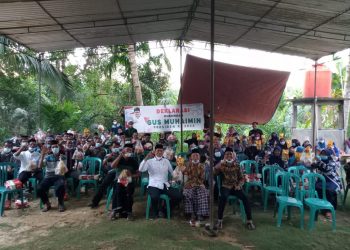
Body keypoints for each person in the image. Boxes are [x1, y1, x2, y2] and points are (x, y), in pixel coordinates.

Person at [215, 148, 255, 230]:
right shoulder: (221, 165)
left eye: (230, 154)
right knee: (223, 197)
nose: (229, 156)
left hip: (235, 187)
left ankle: (249, 220)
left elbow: (242, 178)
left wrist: (239, 185)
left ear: (233, 156)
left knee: (245, 197)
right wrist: (218, 165)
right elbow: (214, 173)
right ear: (224, 156)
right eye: (227, 154)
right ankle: (219, 220)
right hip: (225, 186)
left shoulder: (237, 165)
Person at [139, 144, 182, 219]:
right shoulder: (149, 161)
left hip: (165, 184)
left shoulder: (166, 161)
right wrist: (146, 157)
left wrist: (178, 169)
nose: (159, 152)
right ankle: (154, 213)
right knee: (155, 196)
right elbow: (141, 169)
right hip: (153, 184)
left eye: (161, 151)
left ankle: (164, 210)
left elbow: (172, 173)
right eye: (158, 150)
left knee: (178, 196)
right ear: (155, 152)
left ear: (163, 152)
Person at [109, 143, 139, 220]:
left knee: (129, 191)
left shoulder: (133, 161)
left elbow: (138, 174)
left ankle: (129, 212)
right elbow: (112, 166)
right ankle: (115, 210)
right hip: (118, 179)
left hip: (129, 179)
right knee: (117, 188)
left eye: (130, 150)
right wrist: (120, 155)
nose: (128, 151)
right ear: (123, 150)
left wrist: (130, 176)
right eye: (127, 149)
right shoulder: (119, 158)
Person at [89, 142, 122, 208]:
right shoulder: (108, 155)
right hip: (110, 172)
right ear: (111, 148)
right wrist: (108, 157)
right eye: (114, 147)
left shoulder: (121, 155)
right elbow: (103, 164)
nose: (115, 148)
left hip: (119, 173)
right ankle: (95, 202)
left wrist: (119, 155)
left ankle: (118, 204)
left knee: (117, 186)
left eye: (116, 147)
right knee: (103, 185)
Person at [180, 149, 209, 226]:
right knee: (187, 193)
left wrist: (195, 184)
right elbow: (185, 174)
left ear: (199, 157)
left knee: (203, 193)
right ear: (191, 157)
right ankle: (192, 213)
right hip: (189, 184)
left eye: (197, 155)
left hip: (199, 184)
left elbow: (202, 178)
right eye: (193, 155)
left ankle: (200, 214)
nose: (195, 157)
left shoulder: (202, 166)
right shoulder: (187, 164)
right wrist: (182, 170)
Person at [311, 149, 342, 219]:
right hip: (322, 181)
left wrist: (319, 162)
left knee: (330, 191)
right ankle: (320, 206)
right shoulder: (320, 162)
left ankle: (329, 210)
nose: (322, 156)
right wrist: (312, 162)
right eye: (321, 154)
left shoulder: (333, 162)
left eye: (324, 154)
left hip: (332, 181)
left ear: (328, 155)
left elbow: (327, 169)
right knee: (317, 187)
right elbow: (313, 166)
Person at [37, 140, 66, 212]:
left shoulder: (63, 157)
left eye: (56, 147)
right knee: (39, 188)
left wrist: (61, 160)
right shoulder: (47, 157)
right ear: (51, 149)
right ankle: (47, 203)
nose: (55, 148)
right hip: (48, 177)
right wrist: (42, 155)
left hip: (59, 176)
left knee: (61, 186)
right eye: (53, 147)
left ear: (59, 148)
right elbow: (39, 166)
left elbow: (63, 169)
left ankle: (60, 203)